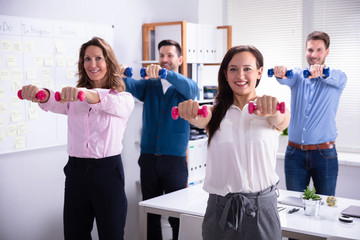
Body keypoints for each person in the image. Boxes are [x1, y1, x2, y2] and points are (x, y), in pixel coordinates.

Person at [18, 37, 134, 240]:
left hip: (108, 173)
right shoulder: (74, 98)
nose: (92, 64)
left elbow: (103, 100)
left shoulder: (122, 99)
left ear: (109, 62)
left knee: (112, 235)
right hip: (76, 172)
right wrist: (40, 93)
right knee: (74, 235)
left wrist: (84, 93)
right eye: (87, 59)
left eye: (98, 58)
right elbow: (54, 100)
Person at [176, 45, 290, 240]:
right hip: (220, 209)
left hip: (262, 209)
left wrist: (275, 110)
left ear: (259, 72)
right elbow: (202, 118)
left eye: (247, 68)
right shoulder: (215, 112)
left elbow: (281, 119)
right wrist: (191, 113)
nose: (240, 75)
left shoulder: (270, 108)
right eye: (233, 69)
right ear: (225, 74)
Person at [121, 39, 198, 240]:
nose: (164, 59)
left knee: (177, 215)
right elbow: (130, 86)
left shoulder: (184, 86)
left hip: (174, 161)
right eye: (161, 55)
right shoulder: (151, 84)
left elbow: (192, 90)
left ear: (180, 59)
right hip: (148, 159)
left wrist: (167, 74)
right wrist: (120, 73)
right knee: (151, 214)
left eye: (169, 55)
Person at [273, 31, 347, 196]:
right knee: (295, 207)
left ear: (327, 52)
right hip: (294, 154)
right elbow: (285, 77)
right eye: (310, 50)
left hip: (324, 155)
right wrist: (280, 72)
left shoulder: (338, 77)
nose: (314, 55)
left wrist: (322, 72)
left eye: (319, 50)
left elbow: (334, 77)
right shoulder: (298, 76)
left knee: (326, 207)